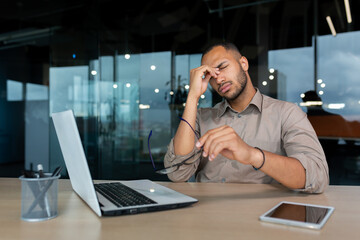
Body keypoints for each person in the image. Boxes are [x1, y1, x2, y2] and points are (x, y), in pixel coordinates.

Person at [164, 42, 329, 193]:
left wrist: (252, 155)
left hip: (263, 215)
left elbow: (318, 177)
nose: (219, 79)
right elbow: (177, 174)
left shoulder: (287, 113)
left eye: (223, 67)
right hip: (207, 215)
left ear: (243, 63)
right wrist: (192, 97)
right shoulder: (201, 118)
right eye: (211, 76)